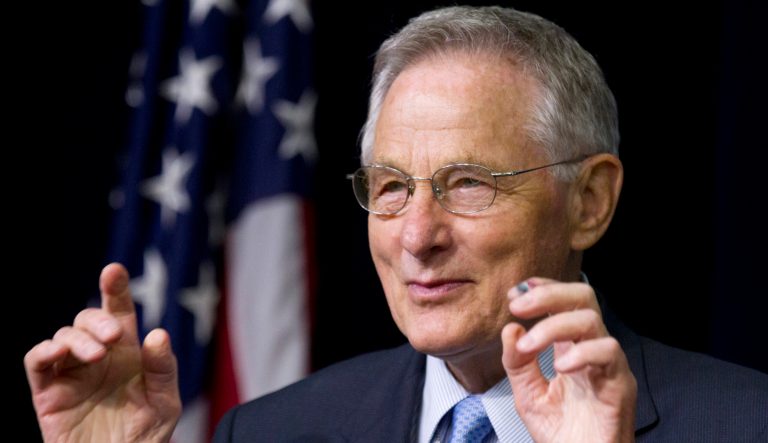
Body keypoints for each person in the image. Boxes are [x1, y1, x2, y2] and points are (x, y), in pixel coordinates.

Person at [24, 5, 767, 442]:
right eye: (390, 187)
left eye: (468, 183)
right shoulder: (272, 433)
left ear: (590, 202)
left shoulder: (745, 423)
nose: (417, 235)